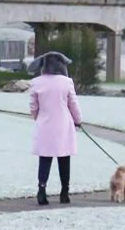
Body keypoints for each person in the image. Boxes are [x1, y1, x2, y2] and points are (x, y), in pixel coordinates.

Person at [29, 52, 82, 205]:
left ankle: (42, 189)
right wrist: (78, 120)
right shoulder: (66, 82)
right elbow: (73, 104)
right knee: (64, 159)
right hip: (63, 125)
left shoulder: (37, 82)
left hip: (44, 124)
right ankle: (64, 192)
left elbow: (33, 106)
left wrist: (39, 117)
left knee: (44, 159)